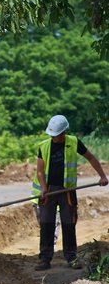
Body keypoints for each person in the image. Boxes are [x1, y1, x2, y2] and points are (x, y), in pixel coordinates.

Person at [33, 114, 108, 271]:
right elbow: (40, 171)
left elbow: (91, 158)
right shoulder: (44, 146)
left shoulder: (74, 142)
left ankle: (71, 257)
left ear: (64, 132)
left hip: (67, 190)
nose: (55, 138)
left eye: (58, 135)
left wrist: (102, 176)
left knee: (68, 223)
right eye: (53, 135)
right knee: (46, 224)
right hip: (49, 191)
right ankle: (44, 259)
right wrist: (44, 187)